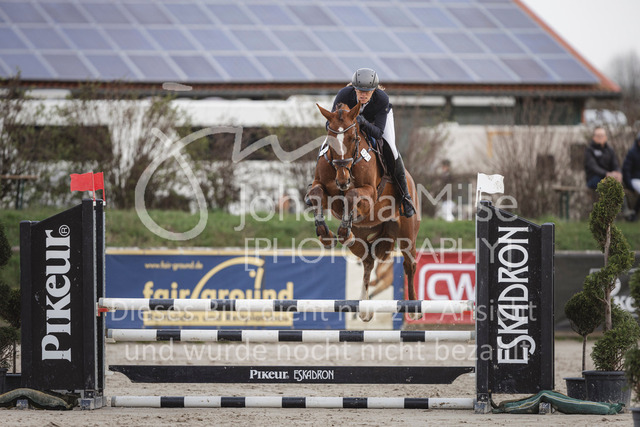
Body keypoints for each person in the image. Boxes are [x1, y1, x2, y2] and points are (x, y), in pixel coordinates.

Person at [329, 68, 415, 217]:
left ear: (374, 90)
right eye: (360, 91)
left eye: (367, 92)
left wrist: (363, 123)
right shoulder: (344, 95)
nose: (363, 95)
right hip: (350, 127)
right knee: (329, 143)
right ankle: (316, 181)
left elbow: (378, 133)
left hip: (376, 123)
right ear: (354, 89)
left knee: (392, 149)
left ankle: (405, 196)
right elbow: (330, 122)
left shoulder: (382, 99)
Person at [622, 132, 640, 221]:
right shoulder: (632, 153)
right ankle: (634, 213)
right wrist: (629, 184)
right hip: (634, 179)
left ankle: (634, 213)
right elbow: (626, 169)